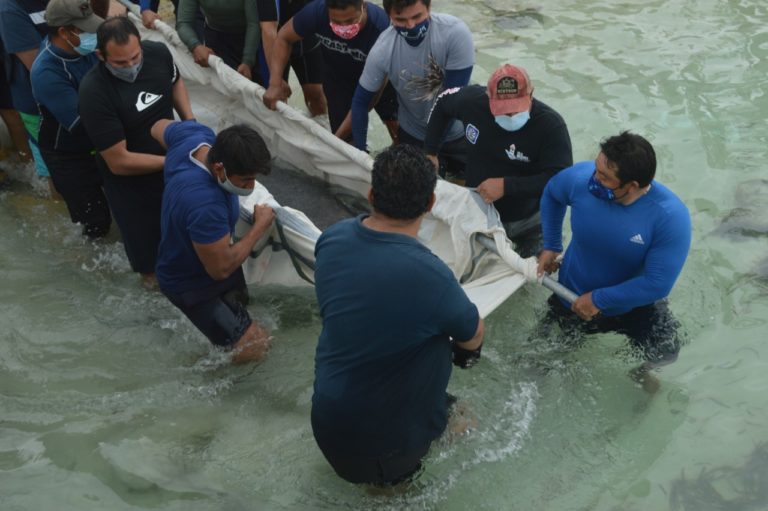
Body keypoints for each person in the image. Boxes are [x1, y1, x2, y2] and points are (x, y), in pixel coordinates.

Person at [311, 144, 485, 486]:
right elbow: (473, 333)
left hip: (330, 414)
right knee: (394, 496)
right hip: (381, 441)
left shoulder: (332, 240)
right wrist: (466, 355)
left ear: (372, 194)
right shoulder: (429, 274)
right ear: (431, 205)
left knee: (460, 416)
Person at [537, 131, 691, 385]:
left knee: (667, 354)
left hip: (632, 306)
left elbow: (657, 284)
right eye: (597, 169)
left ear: (631, 186)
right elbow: (553, 193)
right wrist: (552, 244)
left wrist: (599, 299)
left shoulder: (670, 217)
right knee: (535, 363)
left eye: (604, 177)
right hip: (571, 298)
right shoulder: (580, 179)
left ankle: (640, 373)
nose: (594, 179)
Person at [79, 16, 194, 285]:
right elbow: (118, 161)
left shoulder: (157, 53)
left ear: (141, 45)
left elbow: (175, 81)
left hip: (173, 169)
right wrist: (173, 160)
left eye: (134, 57)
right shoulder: (93, 92)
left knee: (189, 241)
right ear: (100, 56)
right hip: (132, 187)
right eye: (120, 62)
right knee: (152, 268)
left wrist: (190, 123)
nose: (130, 66)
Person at [150, 119, 275, 363]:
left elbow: (156, 127)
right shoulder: (206, 205)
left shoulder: (195, 137)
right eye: (246, 180)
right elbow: (221, 269)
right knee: (254, 348)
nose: (251, 187)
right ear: (219, 169)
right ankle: (205, 381)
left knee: (247, 313)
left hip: (197, 256)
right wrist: (259, 227)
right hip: (191, 284)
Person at [424, 64, 572, 257]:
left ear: (531, 94)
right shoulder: (472, 102)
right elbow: (443, 103)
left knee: (534, 273)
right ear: (488, 96)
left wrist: (507, 186)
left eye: (515, 109)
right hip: (479, 213)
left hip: (529, 222)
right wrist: (431, 151)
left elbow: (561, 181)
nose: (509, 115)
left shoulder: (551, 126)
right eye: (502, 110)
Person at [350, 0, 473, 170]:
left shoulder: (455, 33)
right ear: (390, 17)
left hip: (461, 131)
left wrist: (432, 150)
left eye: (417, 16)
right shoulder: (382, 50)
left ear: (429, 7)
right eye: (400, 20)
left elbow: (451, 101)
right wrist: (360, 154)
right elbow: (360, 102)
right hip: (413, 135)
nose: (410, 25)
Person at [262, 0, 398, 143]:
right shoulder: (317, 13)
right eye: (336, 22)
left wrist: (334, 140)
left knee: (398, 129)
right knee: (347, 146)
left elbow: (366, 100)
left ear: (363, 6)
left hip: (381, 81)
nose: (343, 28)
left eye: (350, 21)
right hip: (338, 80)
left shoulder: (381, 29)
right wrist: (275, 81)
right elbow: (283, 37)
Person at [31, 0, 112, 238]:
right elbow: (82, 123)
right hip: (66, 154)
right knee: (96, 224)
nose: (93, 34)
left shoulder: (84, 49)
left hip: (97, 140)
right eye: (85, 30)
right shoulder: (47, 71)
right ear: (64, 33)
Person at [0, 0, 53, 188]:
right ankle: (29, 171)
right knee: (10, 110)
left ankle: (30, 170)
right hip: (33, 92)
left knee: (11, 109)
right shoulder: (9, 9)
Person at [257, 0, 326, 117]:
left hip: (308, 41)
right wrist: (275, 78)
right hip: (275, 42)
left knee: (316, 97)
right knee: (277, 99)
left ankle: (321, 129)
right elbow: (268, 29)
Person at [176, 0, 261, 82]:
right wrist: (195, 46)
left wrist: (248, 61)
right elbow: (183, 23)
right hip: (217, 38)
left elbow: (253, 23)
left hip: (252, 38)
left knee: (259, 84)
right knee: (226, 86)